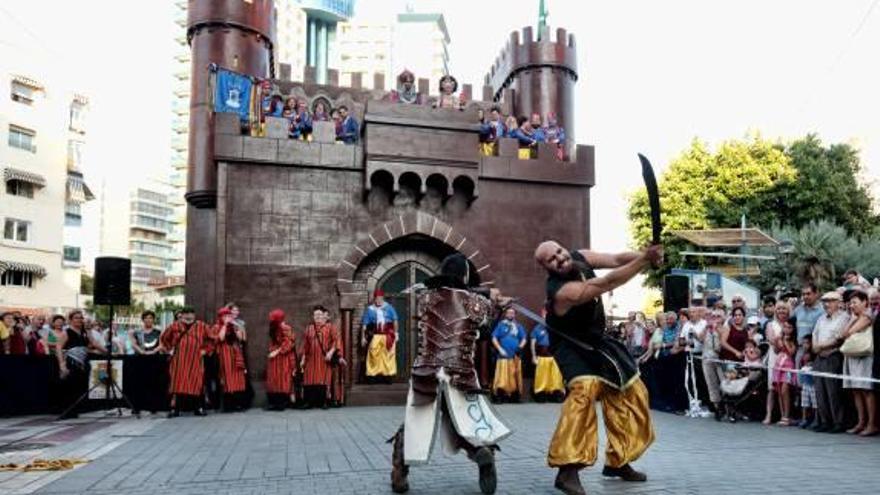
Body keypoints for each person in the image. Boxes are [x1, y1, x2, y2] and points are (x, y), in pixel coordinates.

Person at [534, 240, 662, 494]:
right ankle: (567, 470)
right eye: (552, 259)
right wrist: (644, 260)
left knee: (631, 391)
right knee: (584, 390)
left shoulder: (578, 256)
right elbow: (606, 283)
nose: (560, 257)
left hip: (598, 341)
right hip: (571, 347)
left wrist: (645, 255)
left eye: (559, 251)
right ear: (546, 267)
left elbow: (614, 260)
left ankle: (619, 460)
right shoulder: (560, 290)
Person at [389, 253, 512, 495]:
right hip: (462, 372)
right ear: (465, 275)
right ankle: (480, 453)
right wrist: (496, 305)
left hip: (427, 370)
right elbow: (485, 333)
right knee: (470, 420)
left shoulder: (425, 297)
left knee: (417, 422)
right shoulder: (479, 303)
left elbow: (440, 295)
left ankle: (399, 473)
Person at [161, 307, 213, 417]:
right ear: (182, 315)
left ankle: (198, 408)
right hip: (179, 359)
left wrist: (205, 350)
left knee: (197, 383)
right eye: (186, 314)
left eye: (191, 314)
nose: (189, 316)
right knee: (177, 383)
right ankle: (174, 409)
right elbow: (164, 338)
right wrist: (169, 350)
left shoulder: (202, 326)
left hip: (196, 359)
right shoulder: (174, 326)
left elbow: (212, 339)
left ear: (194, 315)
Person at [811, 291, 850, 433]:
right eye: (825, 301)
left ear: (839, 302)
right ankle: (824, 420)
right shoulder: (821, 318)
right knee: (820, 392)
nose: (827, 304)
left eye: (831, 301)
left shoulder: (844, 318)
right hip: (819, 357)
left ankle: (838, 422)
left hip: (833, 356)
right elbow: (815, 333)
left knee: (833, 392)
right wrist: (815, 346)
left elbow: (839, 339)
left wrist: (821, 346)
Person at [840, 290, 876, 436]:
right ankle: (861, 422)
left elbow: (848, 333)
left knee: (866, 390)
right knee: (856, 389)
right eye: (850, 303)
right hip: (852, 354)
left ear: (865, 302)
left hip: (865, 355)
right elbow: (843, 333)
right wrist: (852, 320)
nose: (851, 306)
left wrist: (852, 324)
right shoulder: (853, 317)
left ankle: (871, 423)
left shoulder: (868, 315)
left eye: (855, 302)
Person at [301, 306, 337, 409]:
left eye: (320, 315)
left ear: (323, 316)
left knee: (323, 380)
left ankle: (324, 402)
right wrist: (303, 358)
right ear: (313, 317)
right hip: (311, 359)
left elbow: (336, 341)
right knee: (309, 380)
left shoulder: (330, 328)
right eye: (316, 315)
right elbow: (305, 345)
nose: (318, 317)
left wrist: (331, 352)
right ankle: (308, 402)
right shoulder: (309, 328)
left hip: (324, 359)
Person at [213, 307, 248, 412]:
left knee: (238, 379)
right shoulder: (217, 326)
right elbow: (220, 338)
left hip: (236, 354)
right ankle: (228, 405)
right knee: (227, 379)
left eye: (229, 316)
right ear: (221, 317)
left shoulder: (234, 326)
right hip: (224, 355)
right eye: (225, 316)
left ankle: (238, 404)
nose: (228, 318)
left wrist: (237, 328)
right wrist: (225, 325)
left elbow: (241, 339)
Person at [360, 289, 399, 383]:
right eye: (377, 298)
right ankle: (373, 376)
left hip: (388, 335)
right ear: (374, 299)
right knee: (373, 353)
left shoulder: (389, 308)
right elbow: (365, 324)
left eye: (380, 298)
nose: (379, 300)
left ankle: (388, 376)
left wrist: (396, 333)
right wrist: (363, 337)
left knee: (388, 354)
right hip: (376, 334)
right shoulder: (370, 310)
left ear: (383, 298)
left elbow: (395, 320)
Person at [490, 307, 527, 403]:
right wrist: (500, 349)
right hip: (503, 356)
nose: (510, 314)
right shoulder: (500, 325)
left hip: (515, 356)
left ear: (514, 315)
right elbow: (494, 338)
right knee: (502, 377)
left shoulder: (518, 326)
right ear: (506, 314)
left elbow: (524, 338)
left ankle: (514, 396)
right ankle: (499, 396)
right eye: (508, 313)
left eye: (512, 313)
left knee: (515, 376)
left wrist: (520, 347)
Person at [762, 302, 790, 425]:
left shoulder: (790, 323)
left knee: (785, 387)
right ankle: (768, 415)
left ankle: (785, 415)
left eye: (784, 308)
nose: (781, 311)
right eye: (779, 309)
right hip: (775, 357)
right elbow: (772, 339)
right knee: (772, 388)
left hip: (788, 358)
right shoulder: (770, 324)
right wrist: (782, 340)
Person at [530, 312, 566, 402]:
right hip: (542, 357)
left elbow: (561, 342)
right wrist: (533, 356)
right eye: (545, 316)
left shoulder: (555, 328)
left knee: (556, 377)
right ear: (542, 317)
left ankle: (555, 394)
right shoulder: (537, 328)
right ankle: (541, 394)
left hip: (554, 357)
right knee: (542, 378)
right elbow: (532, 343)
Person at [266, 309, 296, 410]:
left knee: (283, 379)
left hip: (283, 358)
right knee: (273, 380)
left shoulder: (286, 328)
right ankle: (274, 403)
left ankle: (281, 403)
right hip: (274, 358)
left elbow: (289, 343)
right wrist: (271, 351)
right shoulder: (274, 328)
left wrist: (277, 351)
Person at [698, 309, 725, 420]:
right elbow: (700, 339)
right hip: (707, 358)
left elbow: (723, 341)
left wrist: (717, 328)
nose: (715, 318)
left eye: (718, 316)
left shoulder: (724, 328)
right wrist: (706, 327)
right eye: (713, 316)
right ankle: (717, 407)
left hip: (720, 359)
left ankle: (727, 407)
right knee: (711, 383)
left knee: (723, 383)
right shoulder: (707, 328)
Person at [771, 318, 798, 426]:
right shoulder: (780, 337)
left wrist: (786, 341)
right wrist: (776, 342)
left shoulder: (793, 340)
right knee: (778, 391)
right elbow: (776, 351)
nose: (786, 329)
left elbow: (791, 352)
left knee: (785, 391)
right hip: (779, 365)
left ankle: (787, 415)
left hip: (788, 367)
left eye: (789, 327)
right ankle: (782, 415)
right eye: (785, 327)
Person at [798, 335, 817, 429]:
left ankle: (816, 419)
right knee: (804, 402)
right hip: (805, 383)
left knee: (815, 403)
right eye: (804, 343)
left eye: (807, 343)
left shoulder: (814, 355)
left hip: (813, 384)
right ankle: (804, 418)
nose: (805, 345)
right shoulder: (802, 355)